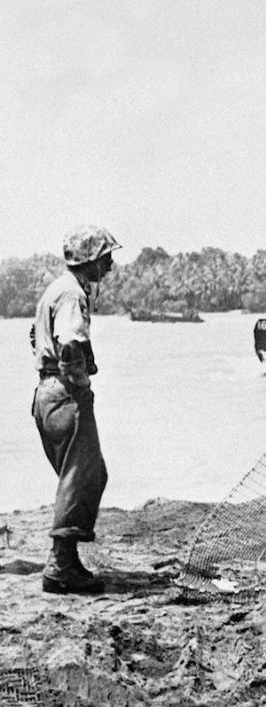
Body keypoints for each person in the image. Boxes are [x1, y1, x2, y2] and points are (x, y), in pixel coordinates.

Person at [31, 224, 121, 594]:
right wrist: (80, 383)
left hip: (47, 391)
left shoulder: (58, 288)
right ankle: (60, 564)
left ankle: (66, 559)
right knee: (81, 475)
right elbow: (69, 345)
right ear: (90, 260)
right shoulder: (71, 294)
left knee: (86, 473)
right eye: (106, 258)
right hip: (65, 392)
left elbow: (36, 337)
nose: (110, 265)